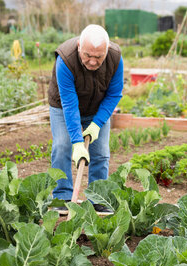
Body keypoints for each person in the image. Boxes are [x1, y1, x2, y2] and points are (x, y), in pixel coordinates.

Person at [48, 24, 124, 213]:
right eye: (87, 55)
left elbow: (115, 94)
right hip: (63, 106)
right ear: (79, 47)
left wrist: (97, 124)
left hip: (97, 107)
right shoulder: (65, 59)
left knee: (101, 153)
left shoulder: (115, 58)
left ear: (106, 51)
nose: (92, 61)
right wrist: (77, 142)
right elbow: (69, 102)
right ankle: (61, 197)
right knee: (62, 146)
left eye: (98, 57)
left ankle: (97, 197)